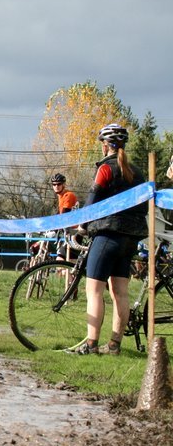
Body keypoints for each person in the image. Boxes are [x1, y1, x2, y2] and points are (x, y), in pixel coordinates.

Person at [67, 123, 148, 355]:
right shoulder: (137, 172)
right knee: (120, 292)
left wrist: (81, 227)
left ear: (105, 145)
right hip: (130, 238)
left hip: (107, 235)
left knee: (93, 290)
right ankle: (114, 345)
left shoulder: (106, 168)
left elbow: (91, 201)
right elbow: (143, 207)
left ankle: (91, 344)